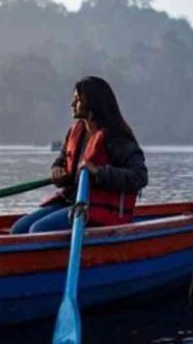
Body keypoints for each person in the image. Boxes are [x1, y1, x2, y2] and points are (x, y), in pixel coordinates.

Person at [11, 76, 147, 234]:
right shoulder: (76, 131)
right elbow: (61, 160)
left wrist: (98, 172)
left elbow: (140, 176)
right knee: (18, 229)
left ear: (92, 102)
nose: (72, 104)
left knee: (38, 230)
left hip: (98, 210)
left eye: (77, 100)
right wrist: (57, 169)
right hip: (72, 202)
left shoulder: (116, 137)